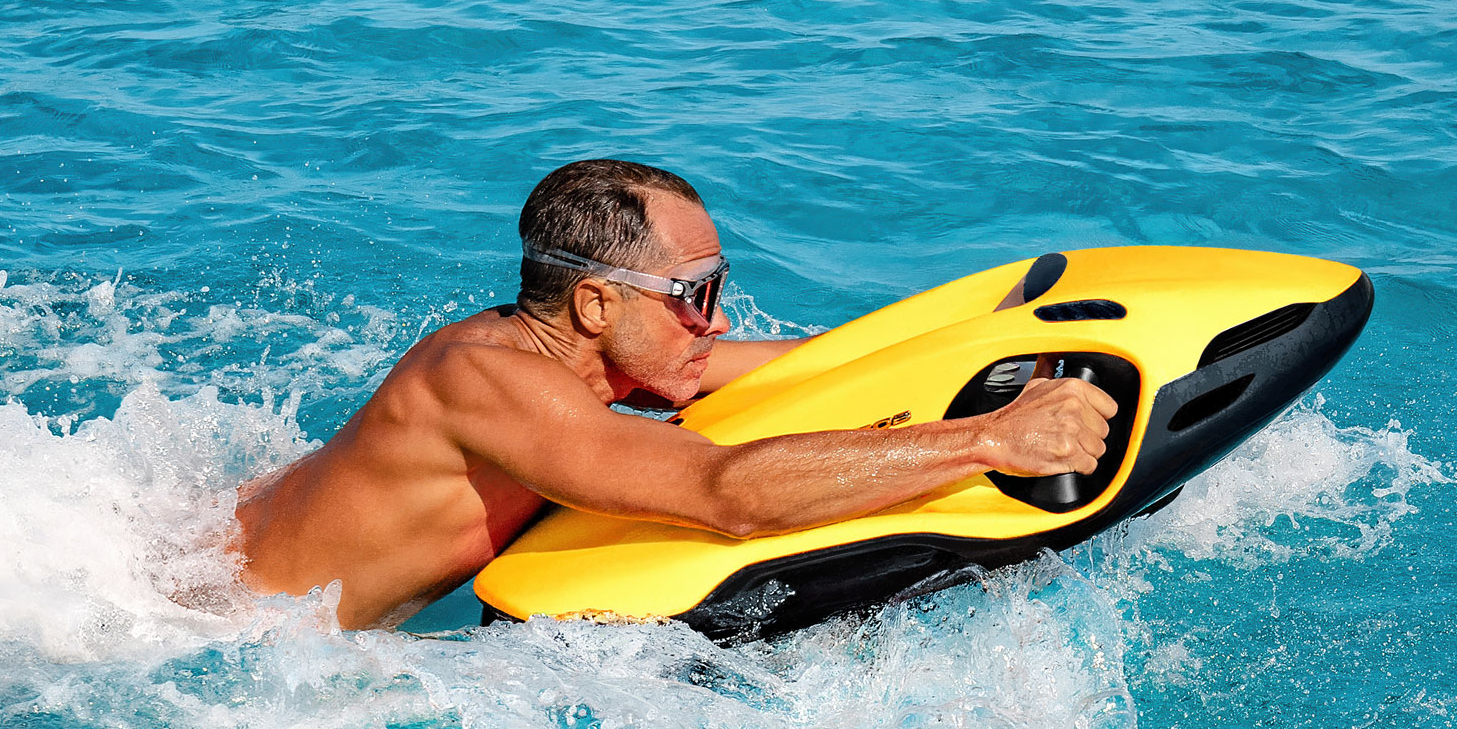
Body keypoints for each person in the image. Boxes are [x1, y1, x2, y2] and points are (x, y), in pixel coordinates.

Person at [234, 158, 1116, 629]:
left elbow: (812, 366)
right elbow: (725, 494)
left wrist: (985, 339)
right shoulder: (488, 381)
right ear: (595, 303)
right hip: (215, 626)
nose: (718, 320)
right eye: (693, 294)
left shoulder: (593, 360)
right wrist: (991, 440)